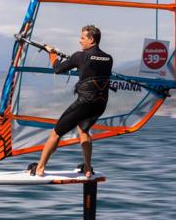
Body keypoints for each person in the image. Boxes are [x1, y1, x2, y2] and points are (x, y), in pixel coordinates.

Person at [28, 25, 113, 178]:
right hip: (100, 104)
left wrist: (52, 54)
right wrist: (77, 64)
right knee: (84, 130)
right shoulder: (108, 58)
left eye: (82, 38)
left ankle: (40, 168)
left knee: (55, 133)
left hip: (85, 103)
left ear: (91, 39)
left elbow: (58, 69)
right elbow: (91, 69)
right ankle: (87, 169)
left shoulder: (79, 56)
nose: (80, 41)